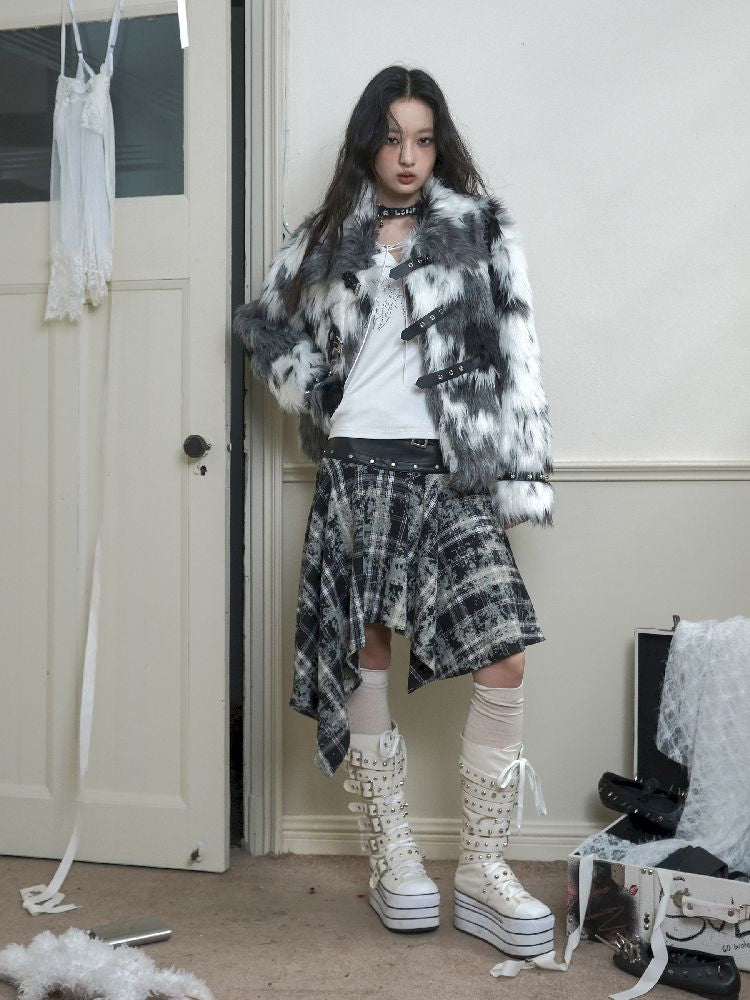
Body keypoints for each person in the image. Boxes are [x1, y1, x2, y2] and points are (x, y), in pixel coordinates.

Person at [234, 65, 555, 963]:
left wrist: (516, 478)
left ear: (437, 144)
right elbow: (264, 329)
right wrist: (320, 397)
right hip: (357, 466)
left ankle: (483, 869)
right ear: (367, 143)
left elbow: (519, 358)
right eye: (391, 139)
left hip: (449, 471)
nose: (407, 157)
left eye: (422, 139)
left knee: (503, 655)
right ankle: (393, 857)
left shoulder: (481, 229)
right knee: (366, 650)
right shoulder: (326, 236)